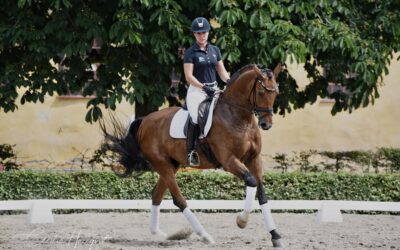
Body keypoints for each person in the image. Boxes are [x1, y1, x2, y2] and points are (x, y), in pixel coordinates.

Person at [183, 17, 230, 166]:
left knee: (225, 113)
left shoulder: (215, 50)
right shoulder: (190, 52)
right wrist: (204, 87)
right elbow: (189, 76)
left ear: (208, 33)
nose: (201, 36)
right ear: (194, 35)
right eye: (198, 33)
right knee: (196, 117)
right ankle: (191, 152)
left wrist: (230, 82)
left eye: (204, 33)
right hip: (197, 91)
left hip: (214, 88)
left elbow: (222, 72)